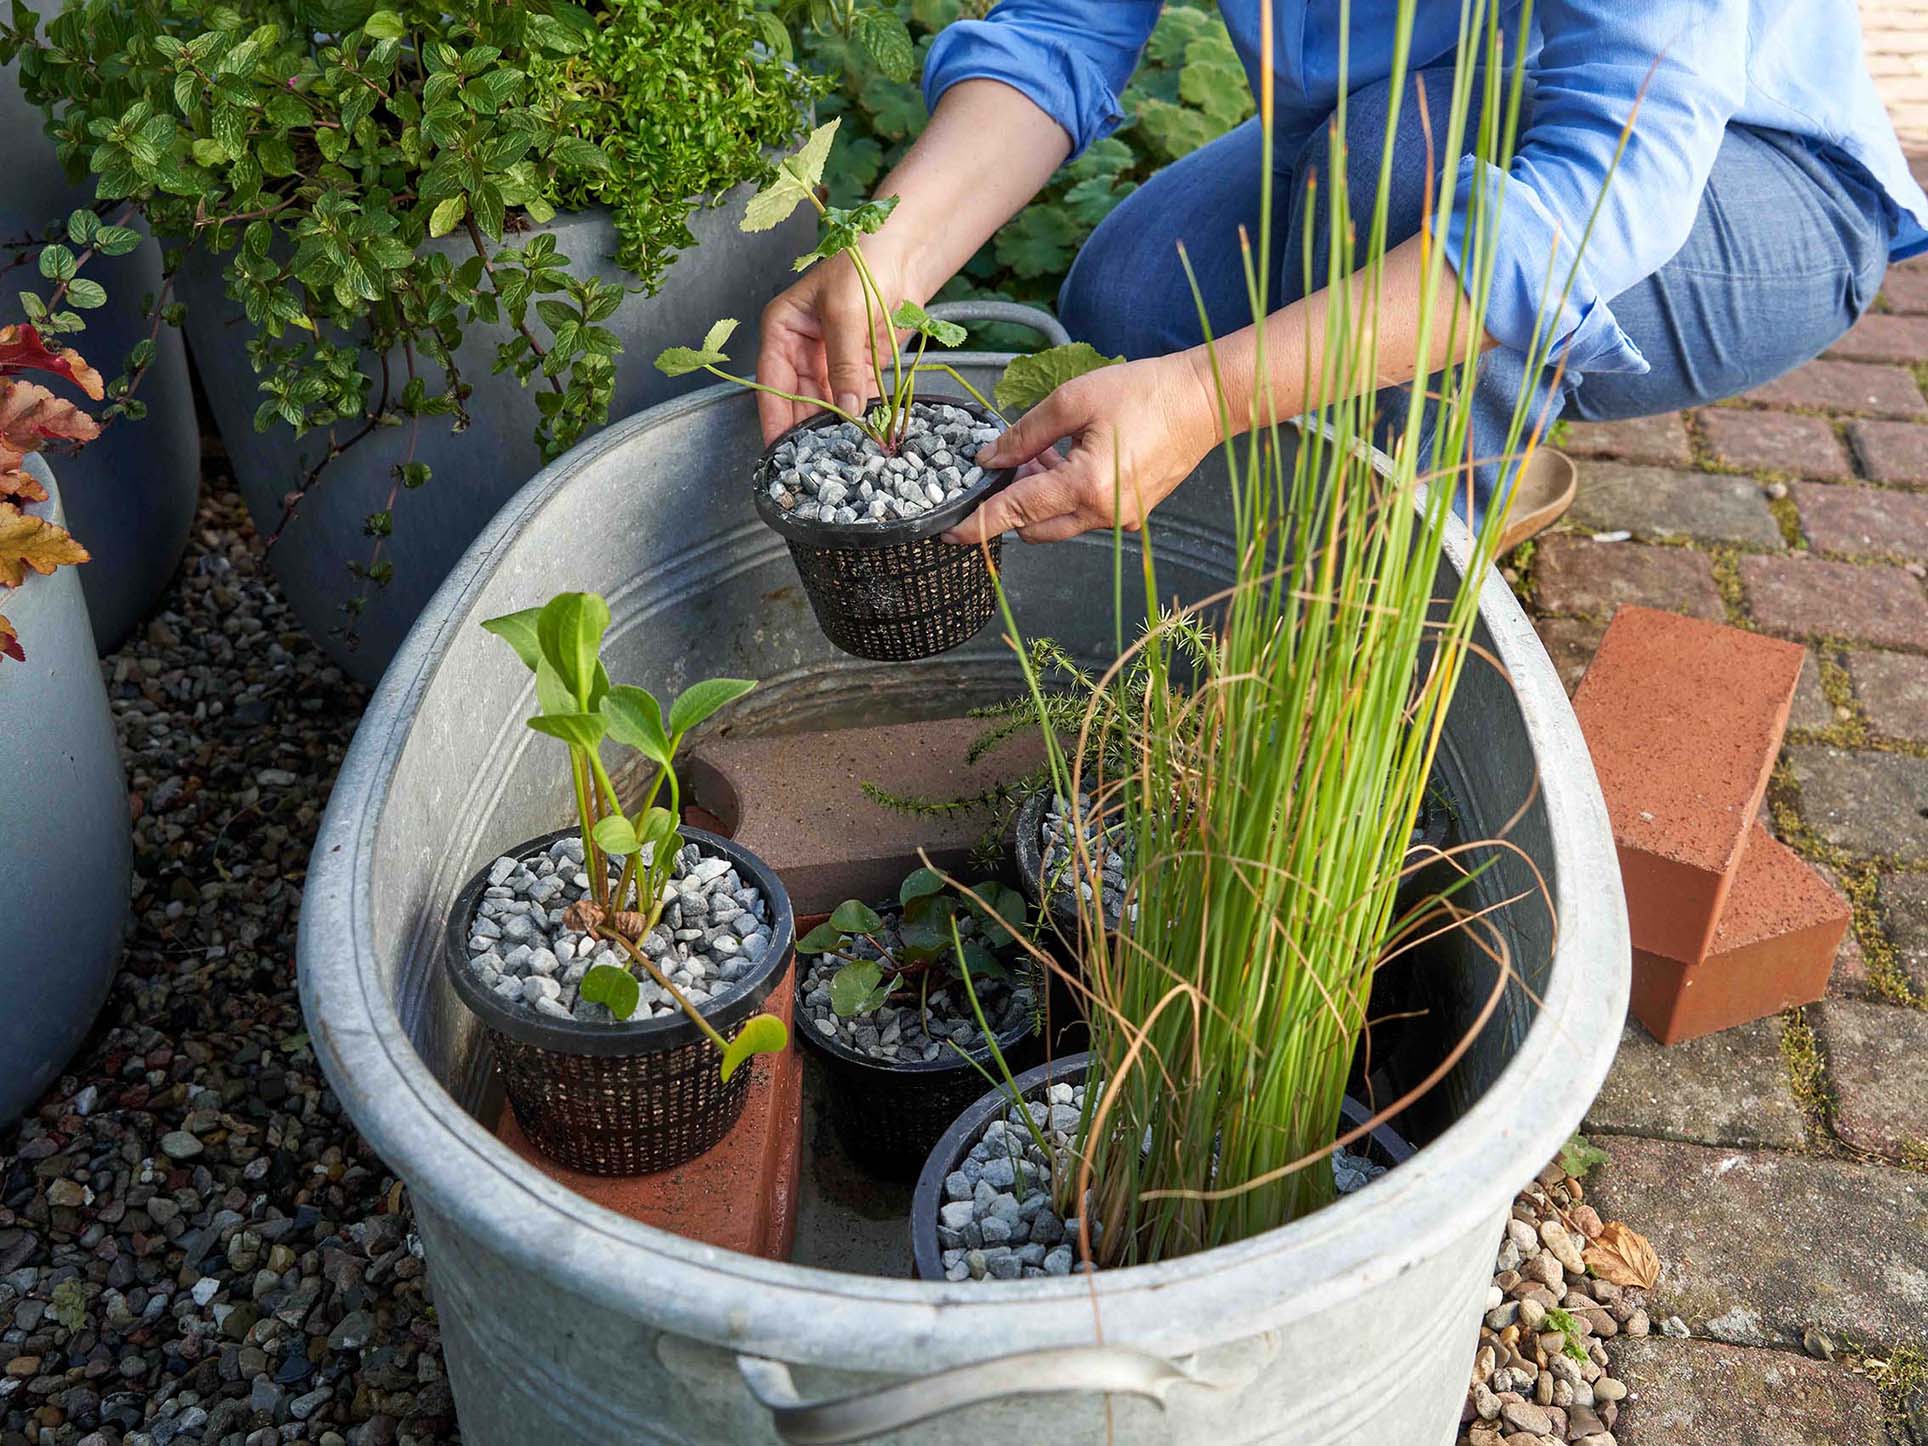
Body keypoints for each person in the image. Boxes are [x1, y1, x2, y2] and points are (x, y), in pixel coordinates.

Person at [754, 0, 1928, 548]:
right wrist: (885, 250)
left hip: (1750, 183)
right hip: (1406, 126)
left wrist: (1209, 396)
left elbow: (1608, 177)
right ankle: (1460, 411)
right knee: (1130, 302)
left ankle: (1408, 583)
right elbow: (1066, 31)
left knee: (1397, 170)